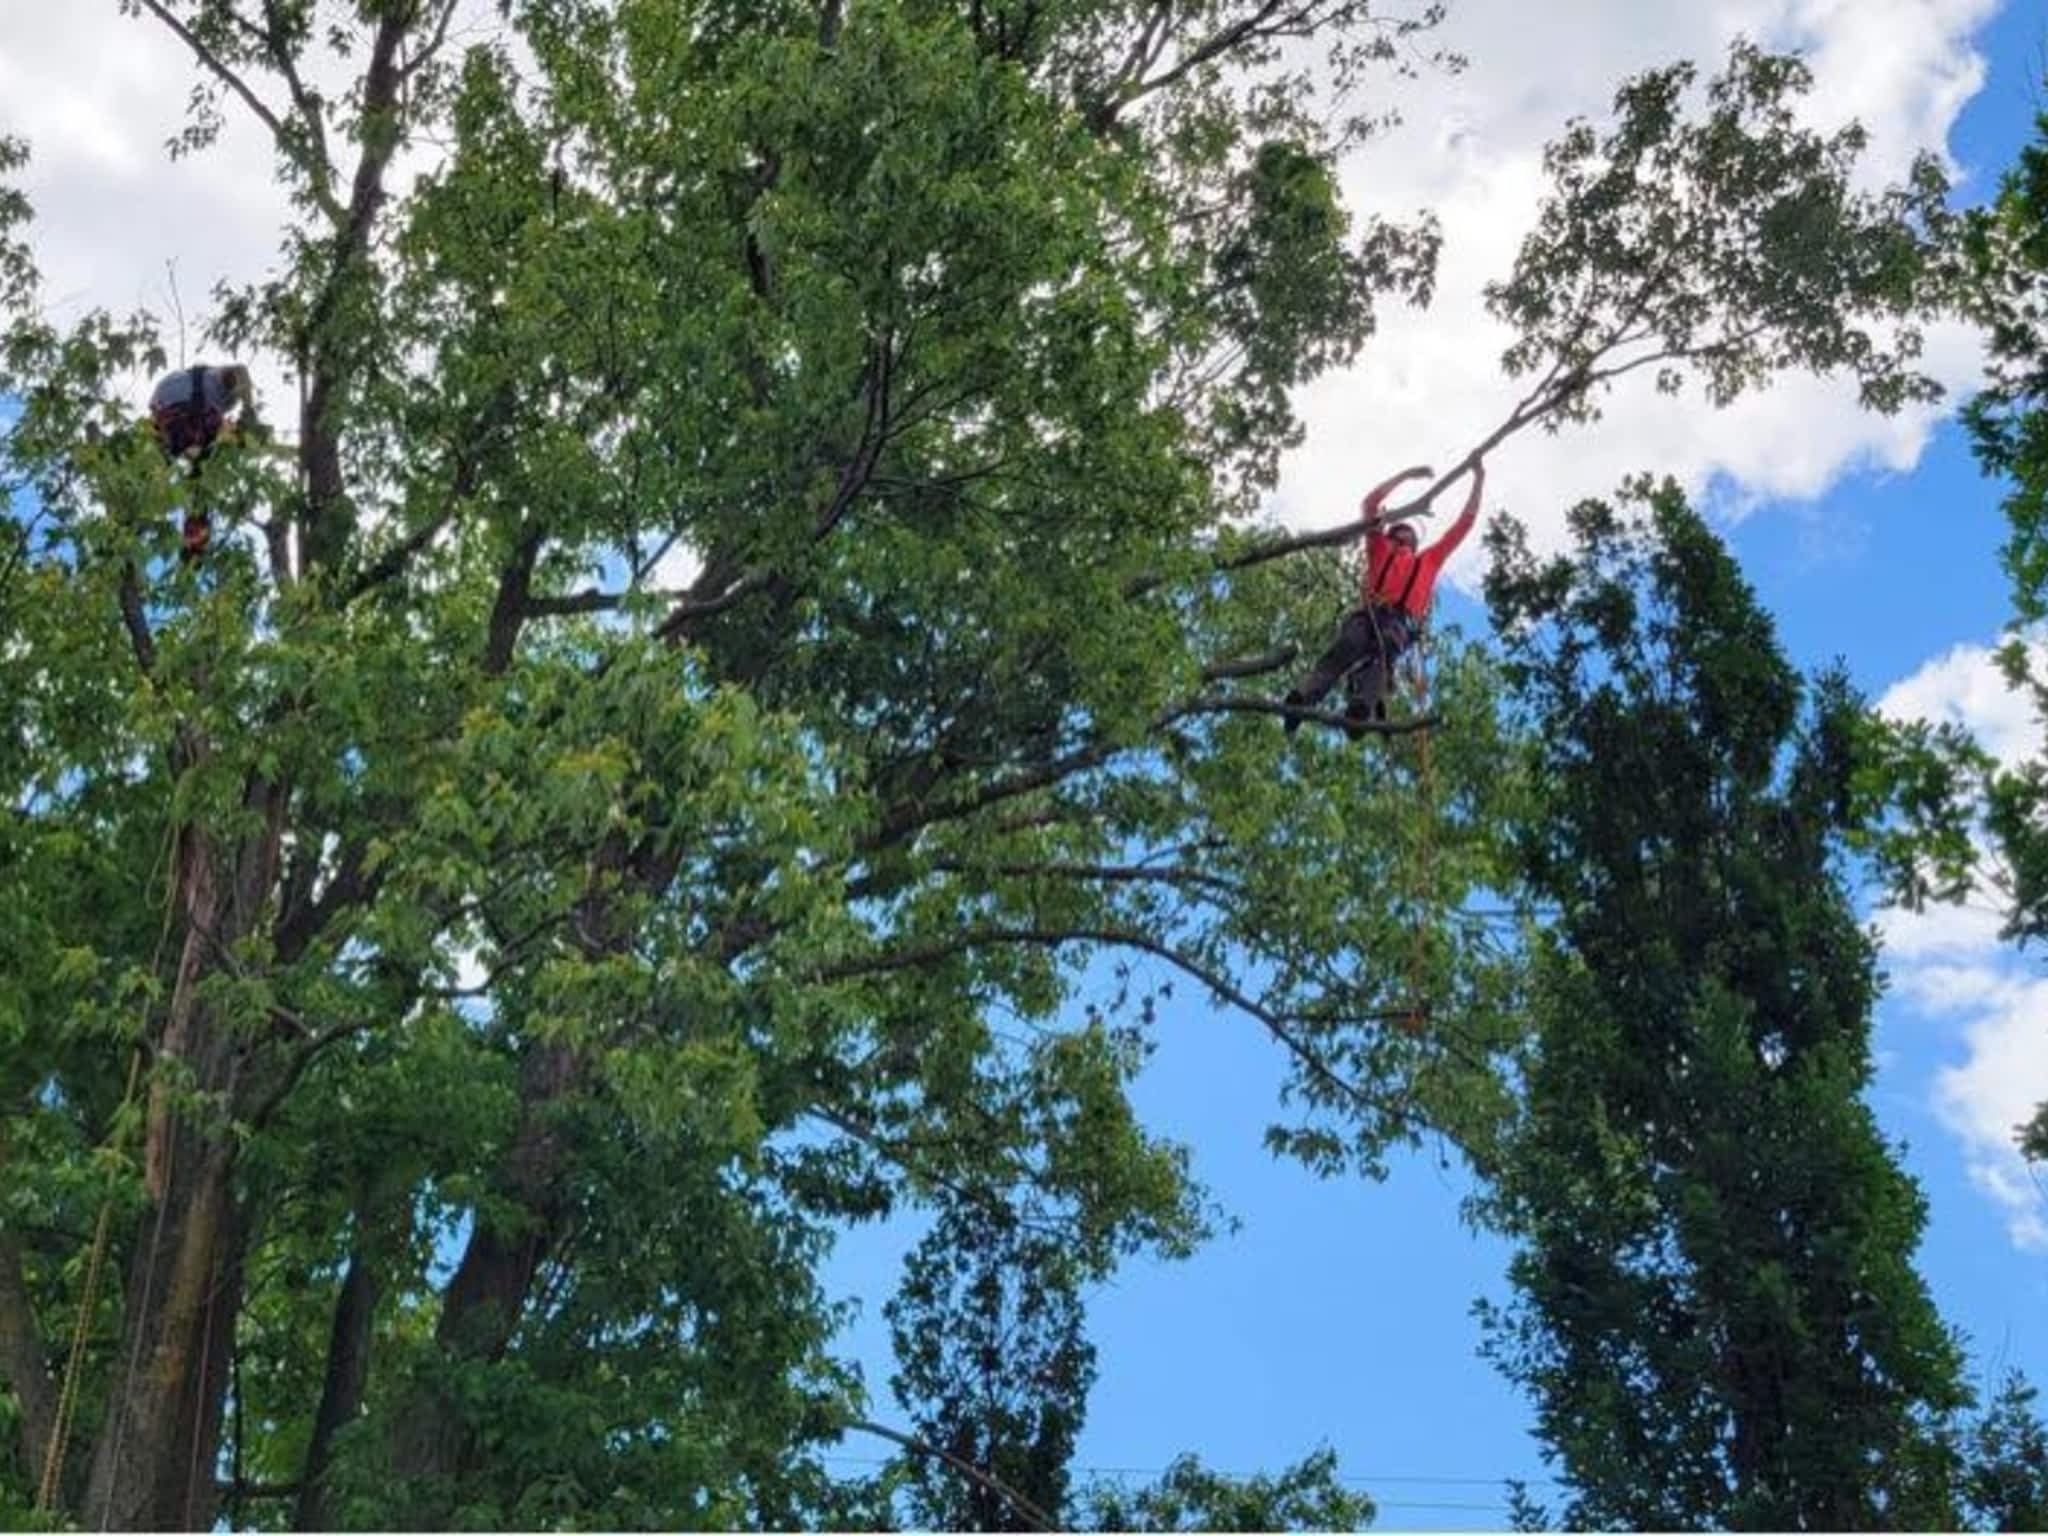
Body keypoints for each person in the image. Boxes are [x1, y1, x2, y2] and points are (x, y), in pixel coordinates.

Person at [1283, 457, 1486, 739]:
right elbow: (1370, 504)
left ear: (1415, 542)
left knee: (1385, 653)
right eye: (1397, 532)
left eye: (1407, 535)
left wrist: (1478, 478)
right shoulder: (1380, 548)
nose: (1402, 537)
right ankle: (1303, 699)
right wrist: (1407, 474)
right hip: (1368, 615)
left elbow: (1463, 525)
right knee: (1347, 646)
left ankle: (1360, 708)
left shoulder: (1428, 561)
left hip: (1399, 623)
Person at [147, 363, 256, 560]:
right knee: (204, 471)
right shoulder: (219, 383)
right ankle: (195, 539)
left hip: (162, 412)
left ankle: (192, 536)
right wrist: (250, 412)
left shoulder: (202, 382)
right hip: (179, 410)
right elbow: (240, 370)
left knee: (187, 465)